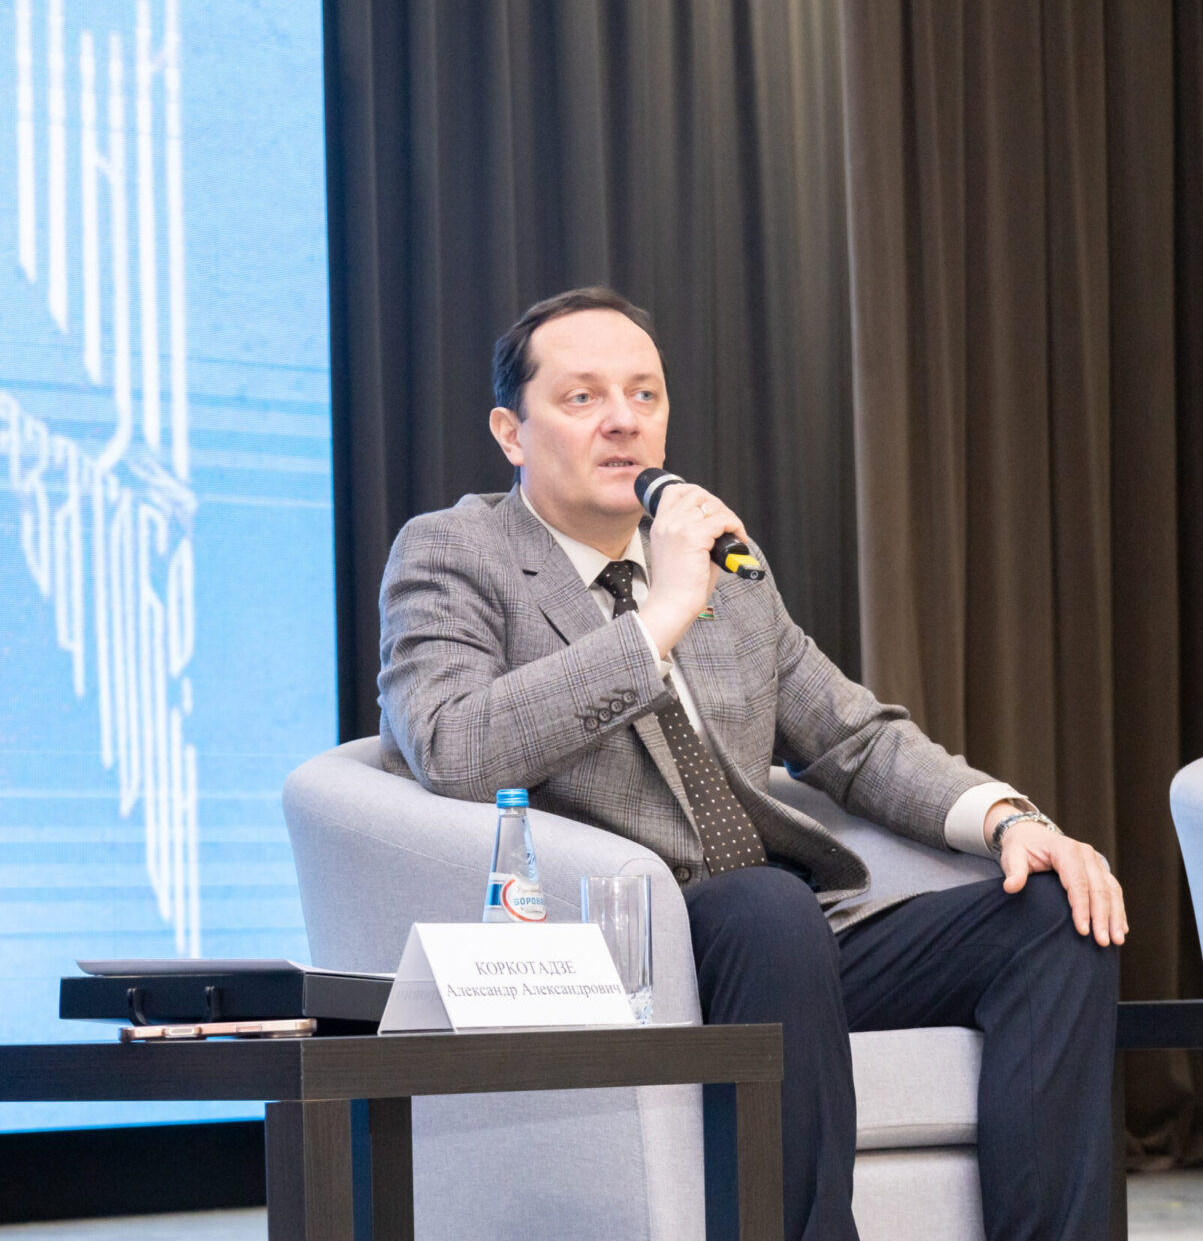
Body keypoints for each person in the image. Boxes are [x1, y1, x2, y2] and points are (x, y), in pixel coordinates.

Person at [375, 286, 1124, 1240]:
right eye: (583, 398)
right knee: (769, 906)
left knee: (1056, 914)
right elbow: (451, 744)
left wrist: (1012, 819)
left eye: (645, 395)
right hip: (616, 949)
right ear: (511, 433)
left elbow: (854, 737)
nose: (623, 421)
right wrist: (655, 621)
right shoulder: (458, 550)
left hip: (786, 945)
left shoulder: (720, 569)